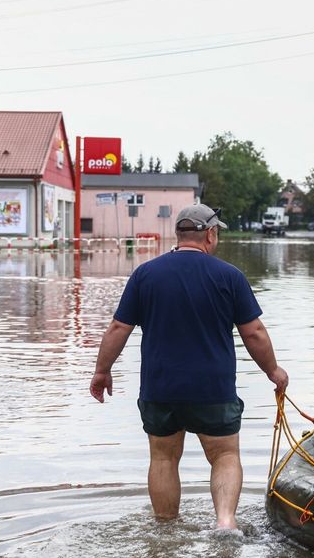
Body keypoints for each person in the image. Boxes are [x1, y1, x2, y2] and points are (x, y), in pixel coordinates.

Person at [89, 203, 288, 532]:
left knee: (163, 457)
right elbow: (253, 332)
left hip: (160, 389)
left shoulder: (145, 275)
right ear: (210, 234)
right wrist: (273, 371)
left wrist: (101, 371)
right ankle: (225, 523)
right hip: (213, 390)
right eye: (218, 233)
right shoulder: (229, 276)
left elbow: (117, 329)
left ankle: (165, 532)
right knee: (224, 455)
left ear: (178, 235)